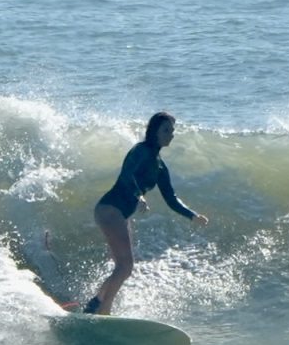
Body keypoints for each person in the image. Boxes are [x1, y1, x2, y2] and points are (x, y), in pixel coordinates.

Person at [83, 111, 208, 315]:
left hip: (120, 215)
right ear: (154, 131)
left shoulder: (160, 166)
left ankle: (95, 303)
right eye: (166, 130)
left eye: (172, 131)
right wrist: (139, 195)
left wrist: (192, 215)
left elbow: (171, 198)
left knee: (122, 268)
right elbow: (127, 175)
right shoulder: (140, 150)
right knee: (125, 267)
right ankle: (104, 309)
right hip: (110, 209)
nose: (171, 135)